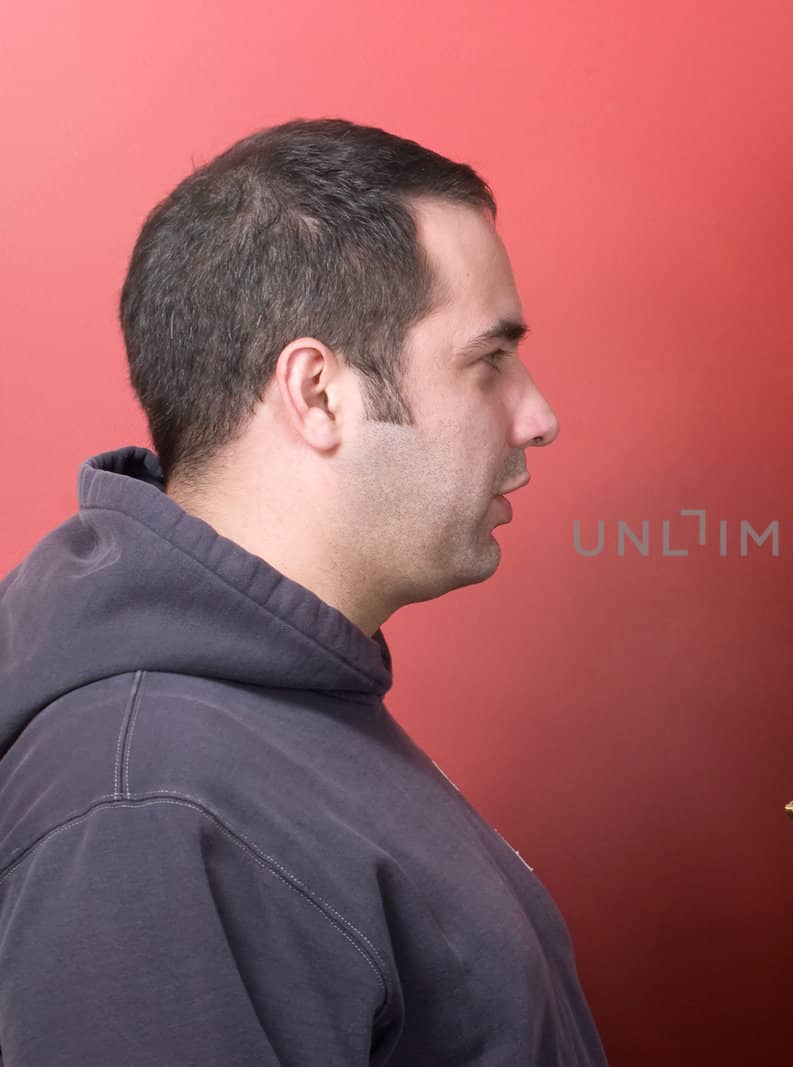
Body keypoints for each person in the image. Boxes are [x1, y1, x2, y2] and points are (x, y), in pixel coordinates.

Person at [0, 119, 608, 1064]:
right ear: (319, 393)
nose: (539, 415)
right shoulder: (149, 811)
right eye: (489, 360)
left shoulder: (285, 713)